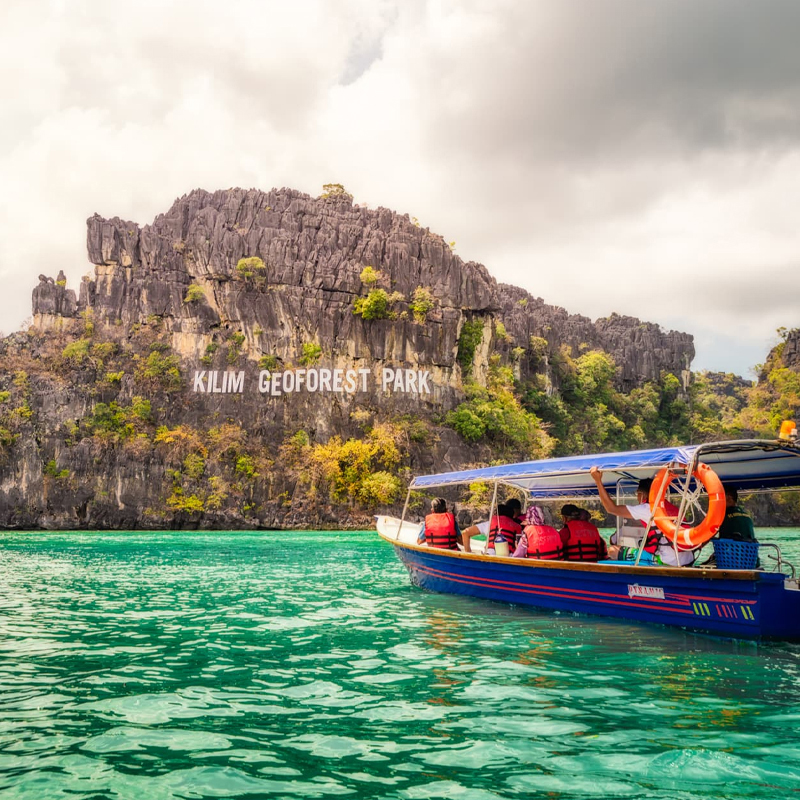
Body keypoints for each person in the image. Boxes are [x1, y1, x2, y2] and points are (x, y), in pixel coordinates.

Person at [589, 467, 695, 566]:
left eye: (637, 494)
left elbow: (611, 509)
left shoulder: (647, 508)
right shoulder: (672, 507)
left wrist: (597, 481)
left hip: (666, 560)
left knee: (613, 551)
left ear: (642, 494)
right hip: (687, 559)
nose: (637, 498)